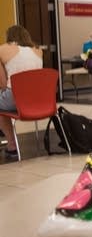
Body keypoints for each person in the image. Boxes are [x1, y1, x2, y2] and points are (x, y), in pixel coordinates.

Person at [0, 25, 43, 159]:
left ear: (9, 37)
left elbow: (2, 84)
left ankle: (12, 145)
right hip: (40, 100)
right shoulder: (38, 50)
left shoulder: (3, 49)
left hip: (17, 99)